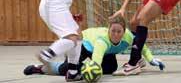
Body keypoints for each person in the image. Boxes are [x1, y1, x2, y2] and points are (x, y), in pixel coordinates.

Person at [23, 15, 165, 79]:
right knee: (71, 71)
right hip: (84, 45)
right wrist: (91, 71)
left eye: (119, 31)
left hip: (107, 53)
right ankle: (41, 68)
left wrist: (151, 59)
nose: (115, 34)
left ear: (123, 31)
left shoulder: (128, 36)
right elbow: (96, 60)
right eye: (113, 31)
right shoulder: (102, 41)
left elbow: (140, 46)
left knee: (110, 69)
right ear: (108, 30)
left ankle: (136, 63)